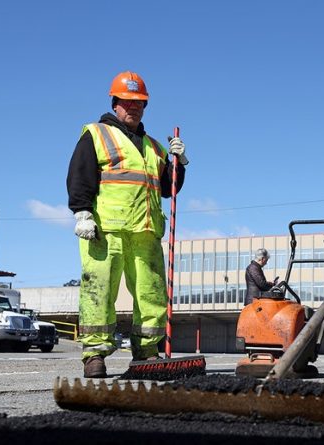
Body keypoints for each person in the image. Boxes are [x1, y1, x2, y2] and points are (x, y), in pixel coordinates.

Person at [66, 71, 189, 378]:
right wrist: (81, 212)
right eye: (128, 102)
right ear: (116, 102)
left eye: (140, 103)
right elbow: (80, 174)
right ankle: (95, 354)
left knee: (152, 294)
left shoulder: (154, 146)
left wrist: (179, 164)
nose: (134, 107)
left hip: (146, 232)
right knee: (99, 292)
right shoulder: (95, 134)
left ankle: (147, 351)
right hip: (105, 232)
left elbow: (167, 188)